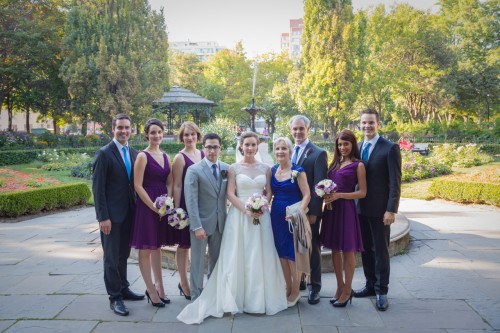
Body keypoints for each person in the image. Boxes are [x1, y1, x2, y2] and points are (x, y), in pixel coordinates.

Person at [177, 131, 287, 324]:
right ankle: (200, 295)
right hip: (236, 216)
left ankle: (255, 298)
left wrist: (262, 204)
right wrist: (247, 209)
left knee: (257, 255)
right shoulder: (230, 168)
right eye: (247, 145)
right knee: (229, 257)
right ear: (241, 147)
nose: (250, 148)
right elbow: (228, 194)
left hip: (259, 217)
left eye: (254, 144)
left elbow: (268, 191)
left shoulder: (261, 168)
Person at [92, 114, 144, 317]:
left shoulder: (133, 153)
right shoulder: (104, 154)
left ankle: (124, 288)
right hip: (111, 218)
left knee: (123, 256)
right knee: (111, 258)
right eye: (120, 127)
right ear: (113, 129)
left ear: (131, 130)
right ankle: (115, 298)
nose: (124, 131)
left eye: (127, 128)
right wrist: (103, 217)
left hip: (130, 214)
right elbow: (98, 189)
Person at [353, 108, 402, 311]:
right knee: (365, 250)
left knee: (381, 251)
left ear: (378, 124)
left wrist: (391, 210)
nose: (367, 126)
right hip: (360, 209)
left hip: (381, 210)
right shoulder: (357, 146)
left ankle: (382, 291)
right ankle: (370, 286)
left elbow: (395, 182)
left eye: (371, 123)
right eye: (364, 123)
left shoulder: (390, 148)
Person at [320, 129, 367, 308]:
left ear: (352, 144)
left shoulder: (358, 165)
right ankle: (339, 287)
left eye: (346, 144)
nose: (342, 147)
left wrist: (340, 195)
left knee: (348, 250)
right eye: (339, 144)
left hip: (346, 210)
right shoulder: (334, 164)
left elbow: (362, 192)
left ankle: (348, 290)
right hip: (331, 210)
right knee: (334, 249)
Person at [130, 118, 172, 308]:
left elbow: (170, 182)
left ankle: (160, 287)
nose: (157, 136)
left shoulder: (165, 156)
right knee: (146, 248)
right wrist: (153, 207)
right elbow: (137, 185)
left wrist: (168, 202)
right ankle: (151, 290)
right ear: (146, 134)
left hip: (162, 206)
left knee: (157, 247)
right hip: (147, 206)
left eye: (159, 132)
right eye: (153, 132)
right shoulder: (142, 156)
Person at [183, 133, 229, 302]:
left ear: (220, 148)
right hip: (200, 225)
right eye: (208, 146)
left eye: (215, 147)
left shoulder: (226, 168)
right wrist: (196, 226)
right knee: (197, 262)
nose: (212, 150)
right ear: (203, 148)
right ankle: (196, 296)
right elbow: (191, 200)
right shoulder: (194, 170)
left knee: (216, 262)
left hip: (220, 223)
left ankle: (213, 294)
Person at [289, 115, 328, 304]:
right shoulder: (287, 151)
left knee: (312, 248)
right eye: (294, 129)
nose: (298, 132)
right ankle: (301, 280)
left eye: (301, 129)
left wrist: (314, 212)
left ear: (308, 129)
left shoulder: (318, 153)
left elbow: (319, 185)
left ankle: (315, 286)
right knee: (296, 246)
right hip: (291, 209)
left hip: (308, 210)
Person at [270, 137, 311, 307]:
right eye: (278, 148)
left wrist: (298, 212)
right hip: (276, 217)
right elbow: (269, 193)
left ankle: (296, 290)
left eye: (284, 148)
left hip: (293, 217)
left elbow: (307, 195)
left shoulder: (298, 170)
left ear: (290, 150)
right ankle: (287, 287)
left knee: (293, 254)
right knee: (281, 254)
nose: (280, 151)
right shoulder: (272, 170)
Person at [171, 121, 205, 300]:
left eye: (192, 134)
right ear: (181, 137)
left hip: (202, 204)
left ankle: (196, 281)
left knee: (197, 245)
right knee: (184, 245)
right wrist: (178, 210)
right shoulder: (179, 158)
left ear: (198, 136)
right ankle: (183, 282)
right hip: (185, 204)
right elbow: (176, 185)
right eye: (186, 135)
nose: (189, 138)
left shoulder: (203, 153)